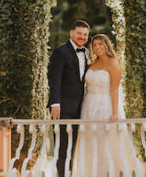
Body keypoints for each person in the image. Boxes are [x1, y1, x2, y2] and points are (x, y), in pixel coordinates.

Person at [74, 34, 146, 176]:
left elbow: (114, 90)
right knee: (90, 140)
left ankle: (107, 172)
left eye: (100, 44)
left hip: (105, 106)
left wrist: (114, 112)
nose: (97, 47)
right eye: (94, 45)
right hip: (88, 106)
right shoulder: (92, 64)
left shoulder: (113, 63)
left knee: (104, 141)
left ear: (107, 45)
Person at [48, 20, 90, 177]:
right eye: (79, 33)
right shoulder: (61, 51)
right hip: (62, 108)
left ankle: (70, 174)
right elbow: (55, 79)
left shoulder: (86, 52)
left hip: (80, 107)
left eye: (85, 34)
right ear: (72, 33)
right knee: (63, 146)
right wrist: (55, 103)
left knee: (73, 147)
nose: (82, 37)